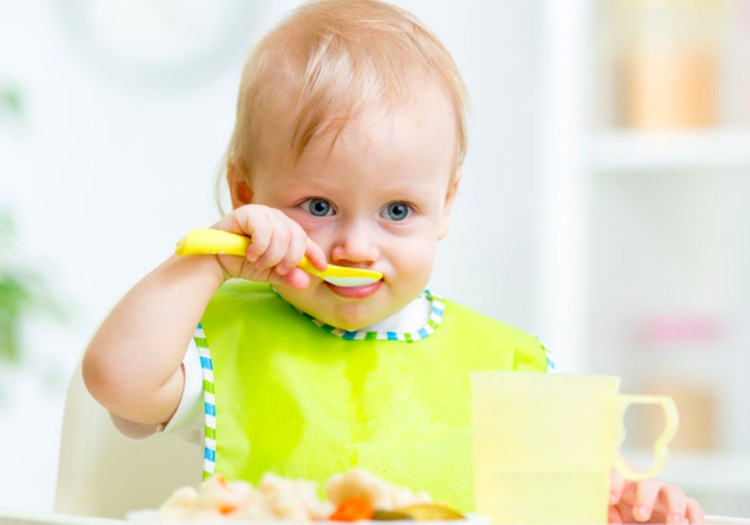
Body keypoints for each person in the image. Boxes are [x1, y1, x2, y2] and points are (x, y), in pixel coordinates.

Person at [82, 0, 703, 522]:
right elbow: (115, 379)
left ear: (445, 206)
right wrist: (209, 259)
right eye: (318, 205)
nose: (355, 245)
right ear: (248, 197)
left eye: (398, 210)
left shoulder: (507, 367)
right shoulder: (222, 335)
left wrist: (618, 508)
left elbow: (550, 510)